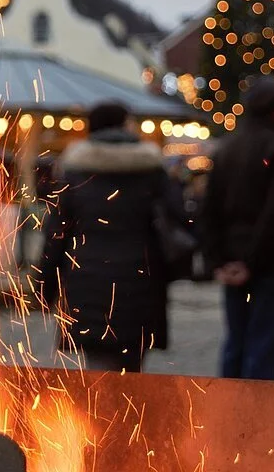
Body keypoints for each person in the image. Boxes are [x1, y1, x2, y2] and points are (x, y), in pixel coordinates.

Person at [38, 101, 174, 373]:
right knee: (132, 367)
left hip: (87, 283)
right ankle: (130, 414)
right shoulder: (152, 172)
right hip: (140, 282)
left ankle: (101, 415)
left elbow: (56, 235)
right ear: (125, 125)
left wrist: (45, 288)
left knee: (98, 368)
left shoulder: (75, 173)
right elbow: (176, 220)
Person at [200, 77, 274, 381]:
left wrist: (219, 261)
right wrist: (252, 262)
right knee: (263, 345)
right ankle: (257, 418)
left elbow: (209, 210)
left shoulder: (227, 147)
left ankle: (228, 412)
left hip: (234, 261)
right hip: (268, 264)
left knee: (237, 340)